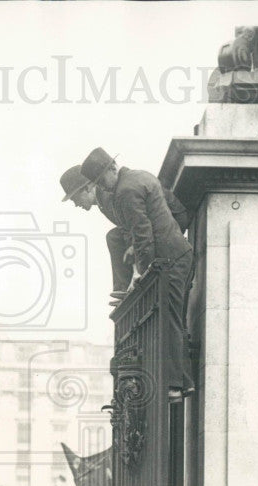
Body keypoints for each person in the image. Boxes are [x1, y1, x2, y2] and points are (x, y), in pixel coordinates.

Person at [80, 147, 196, 399]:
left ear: (112, 169)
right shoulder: (138, 177)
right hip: (176, 255)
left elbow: (143, 236)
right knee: (172, 317)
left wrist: (141, 276)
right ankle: (182, 382)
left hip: (171, 259)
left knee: (169, 318)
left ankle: (175, 384)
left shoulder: (125, 191)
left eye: (102, 181)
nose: (104, 188)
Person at [61, 163, 190, 302]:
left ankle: (126, 286)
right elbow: (128, 229)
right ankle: (122, 288)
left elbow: (137, 229)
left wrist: (138, 270)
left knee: (113, 237)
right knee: (115, 236)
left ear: (86, 189)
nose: (76, 204)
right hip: (153, 226)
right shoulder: (102, 201)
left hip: (173, 222)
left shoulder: (108, 195)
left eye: (75, 198)